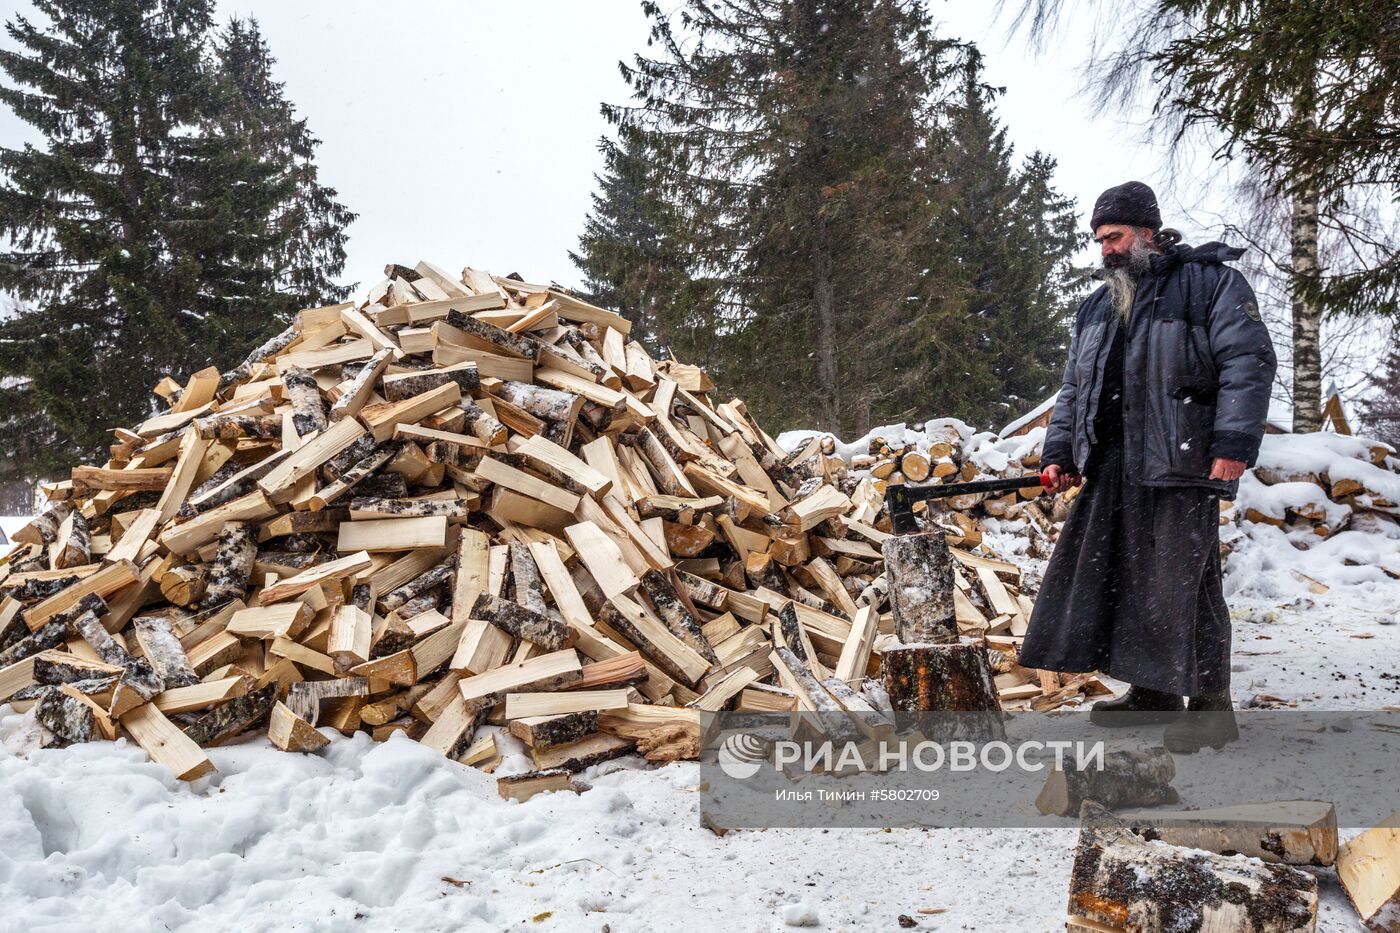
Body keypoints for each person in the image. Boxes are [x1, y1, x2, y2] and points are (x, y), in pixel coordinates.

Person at [1018, 181, 1277, 752]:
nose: (1105, 250)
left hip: (1182, 464)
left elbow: (1248, 363)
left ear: (1147, 232)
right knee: (1123, 582)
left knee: (1186, 587)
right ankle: (1153, 694)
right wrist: (1060, 452)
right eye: (1099, 240)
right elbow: (1073, 388)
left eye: (1114, 237)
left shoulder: (1209, 286)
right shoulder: (1097, 305)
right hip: (1113, 467)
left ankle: (1211, 711)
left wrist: (1233, 444)